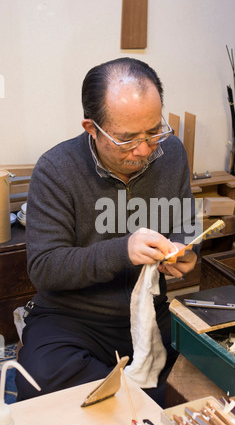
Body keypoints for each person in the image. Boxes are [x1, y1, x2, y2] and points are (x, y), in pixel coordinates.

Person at [16, 58, 199, 407]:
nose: (144, 150)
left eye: (153, 131)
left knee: (211, 371)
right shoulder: (56, 169)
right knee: (38, 380)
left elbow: (186, 226)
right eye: (127, 139)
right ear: (92, 127)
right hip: (72, 319)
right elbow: (44, 267)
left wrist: (187, 252)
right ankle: (137, 401)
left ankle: (128, 402)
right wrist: (122, 251)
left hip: (149, 314)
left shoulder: (172, 153)